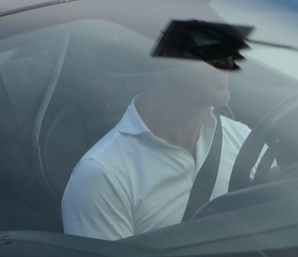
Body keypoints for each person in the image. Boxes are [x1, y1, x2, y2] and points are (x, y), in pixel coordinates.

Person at [60, 24, 254, 239]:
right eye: (205, 53)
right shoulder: (102, 177)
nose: (227, 63)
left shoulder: (243, 138)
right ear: (157, 72)